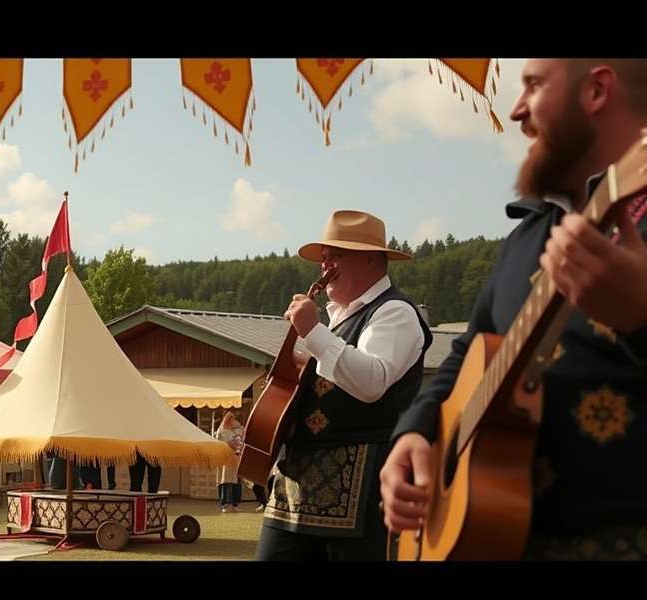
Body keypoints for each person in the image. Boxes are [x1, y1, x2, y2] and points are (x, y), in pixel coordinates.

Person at [381, 59, 647, 560]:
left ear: (597, 90)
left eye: (534, 85)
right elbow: (466, 352)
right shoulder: (524, 238)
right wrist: (414, 432)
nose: (516, 109)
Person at [256, 209, 431, 561]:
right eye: (323, 258)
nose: (326, 266)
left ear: (371, 259)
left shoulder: (394, 312)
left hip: (360, 486)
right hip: (295, 484)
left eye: (337, 255)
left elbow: (371, 382)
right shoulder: (336, 320)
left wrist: (313, 332)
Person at [215, 411, 246, 513]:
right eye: (230, 419)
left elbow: (241, 440)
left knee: (235, 482)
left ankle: (235, 504)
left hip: (235, 459)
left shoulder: (236, 430)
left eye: (233, 419)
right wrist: (228, 444)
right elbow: (218, 443)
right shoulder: (221, 430)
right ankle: (224, 504)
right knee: (225, 482)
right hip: (225, 460)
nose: (232, 421)